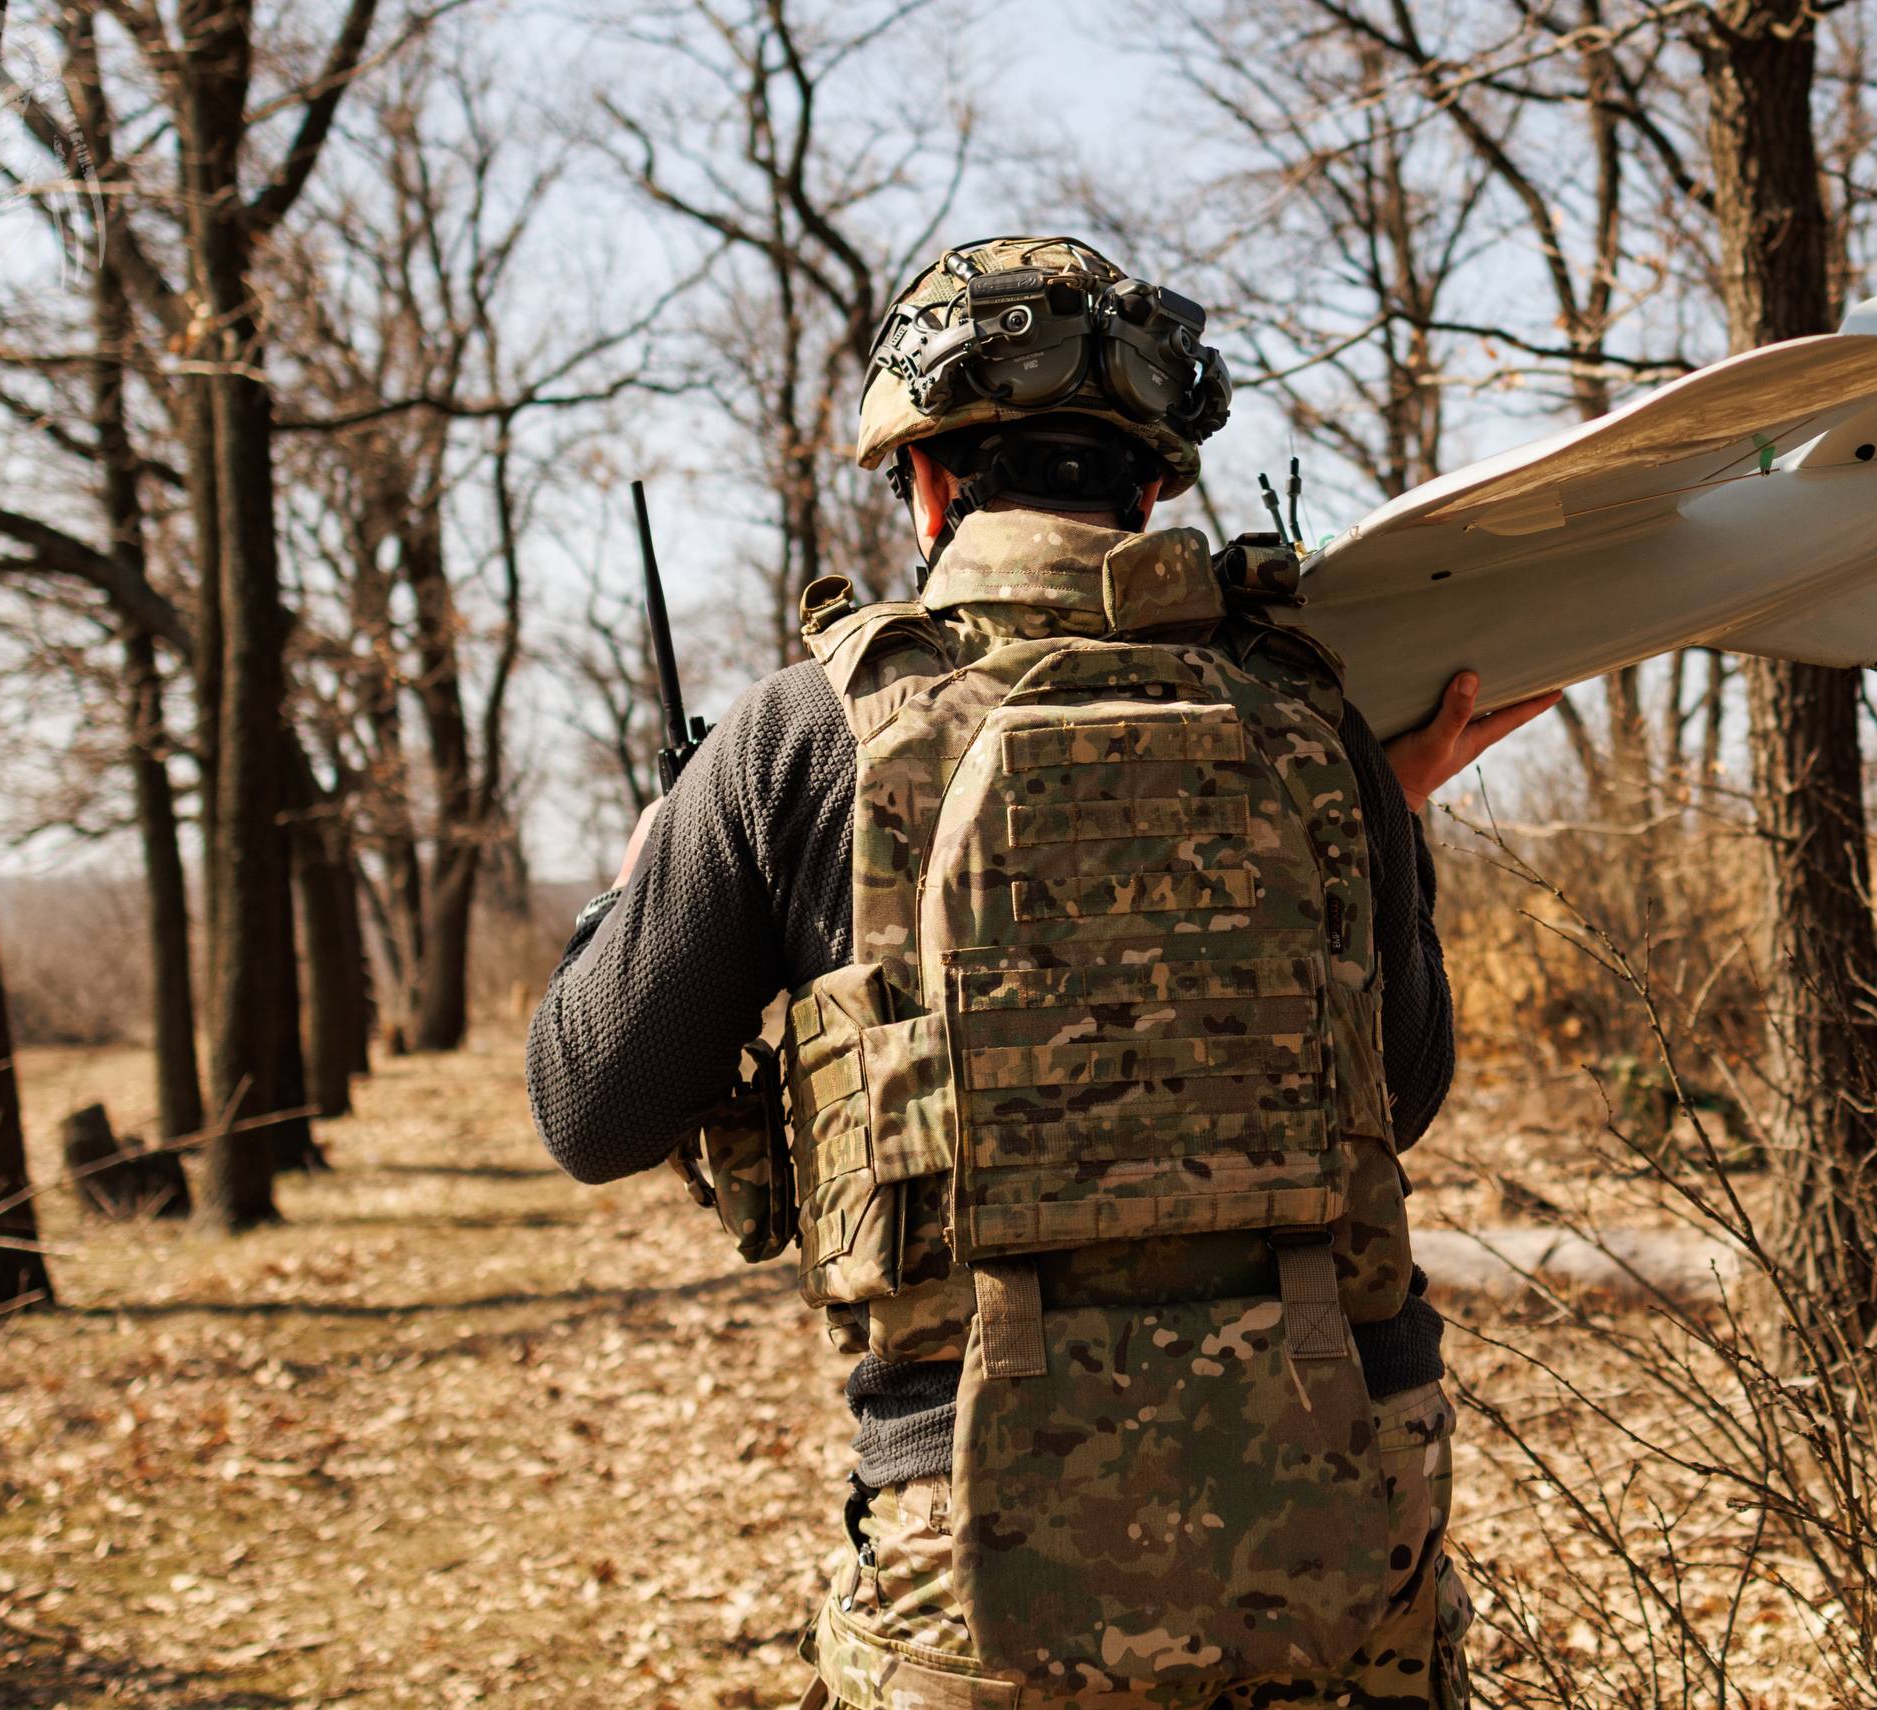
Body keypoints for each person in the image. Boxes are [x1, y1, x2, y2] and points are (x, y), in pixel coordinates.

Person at [527, 235, 1555, 1710]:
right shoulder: (1312, 720)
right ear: (1149, 485)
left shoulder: (800, 734)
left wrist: (628, 894)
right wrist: (1360, 820)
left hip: (982, 1557)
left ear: (930, 484)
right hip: (1344, 1536)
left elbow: (591, 1108)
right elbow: (1409, 1085)